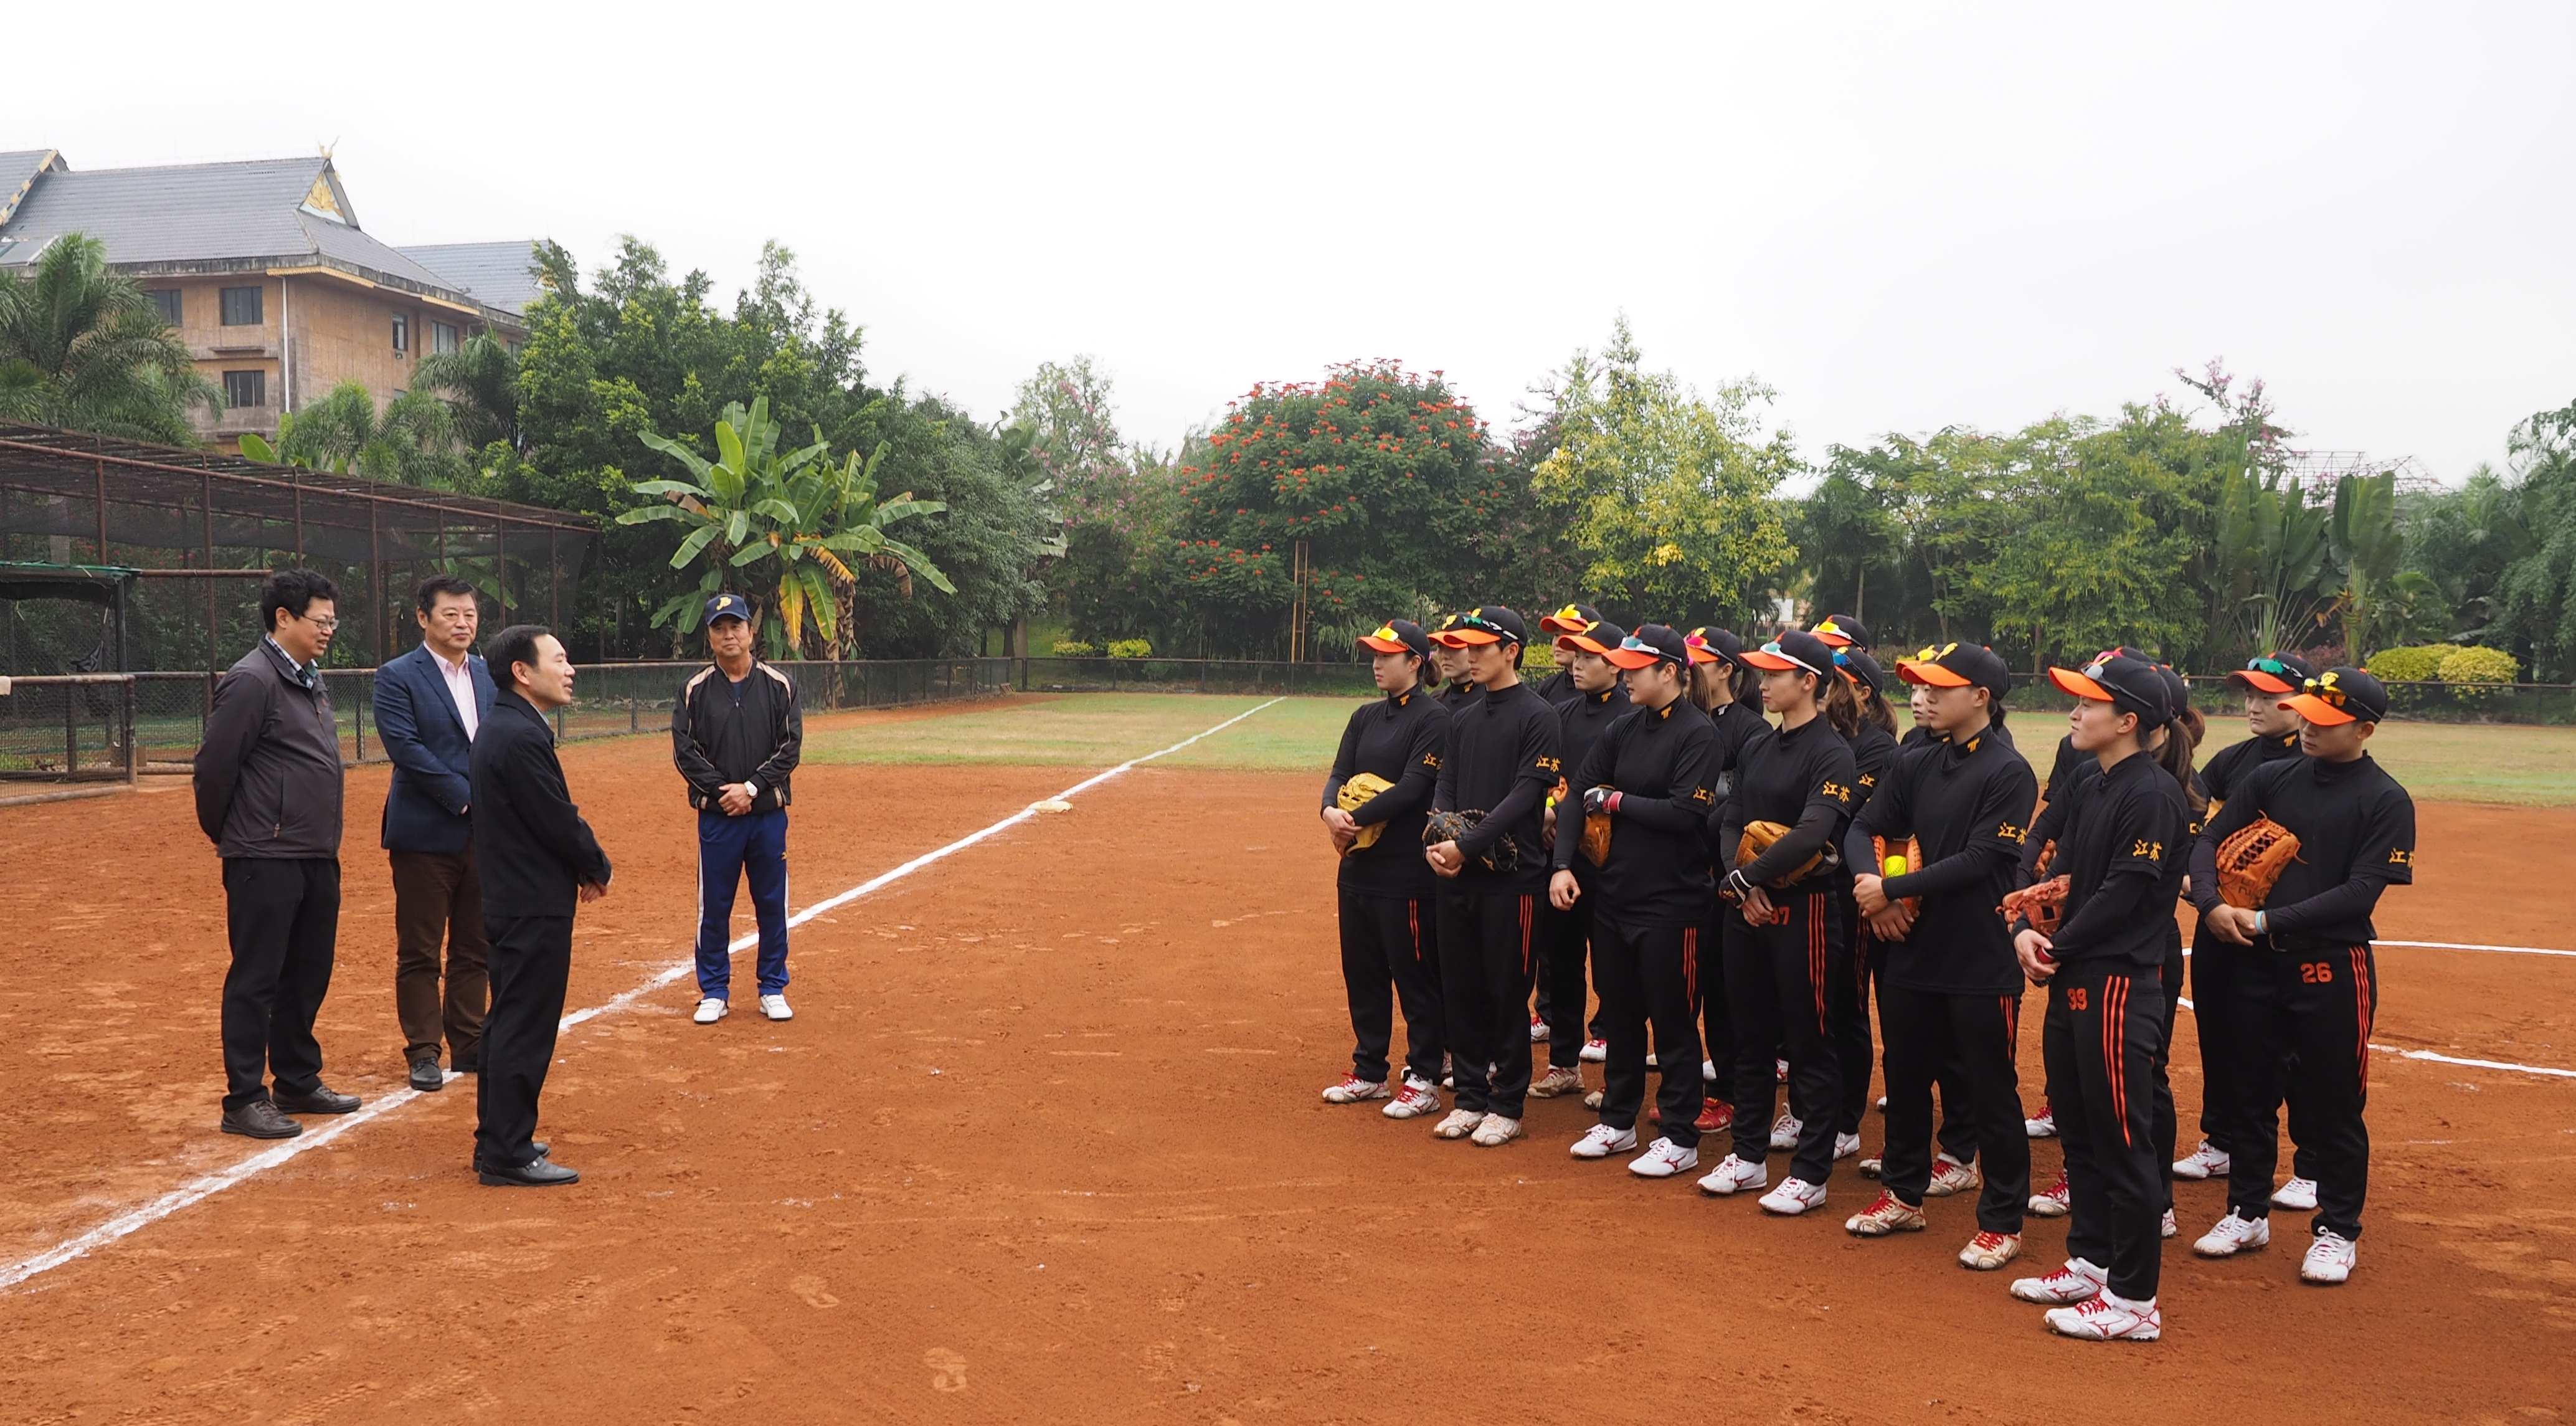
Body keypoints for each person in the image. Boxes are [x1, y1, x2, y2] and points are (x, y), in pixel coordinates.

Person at [2187, 668, 2413, 1288]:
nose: (2309, 727)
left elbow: (2360, 892)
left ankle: (2337, 1228)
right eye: (2307, 714)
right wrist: (2210, 903)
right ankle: (2246, 1212)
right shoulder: (2270, 778)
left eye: (2327, 721)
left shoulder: (2385, 799)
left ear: (2364, 730)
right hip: (2254, 964)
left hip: (2330, 965)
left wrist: (2265, 919)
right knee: (2248, 1093)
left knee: (2333, 1102)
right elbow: (2208, 839)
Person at [2005, 652, 2188, 1342]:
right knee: (2078, 1127)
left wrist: (2056, 946)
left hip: (2117, 981)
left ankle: (2135, 1300)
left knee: (2121, 1139)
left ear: (2128, 720)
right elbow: (2056, 862)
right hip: (2077, 975)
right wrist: (2026, 924)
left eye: (2088, 703)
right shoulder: (2092, 778)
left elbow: (2123, 894)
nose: (2075, 713)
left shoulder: (2152, 793)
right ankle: (2091, 1260)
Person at [1842, 642, 2039, 1270]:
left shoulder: (2008, 771)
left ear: (1980, 697)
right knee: (1903, 1077)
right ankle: (1903, 1194)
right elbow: (1861, 827)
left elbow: (1983, 858)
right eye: (1920, 686)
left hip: (1979, 957)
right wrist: (1875, 889)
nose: (1921, 696)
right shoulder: (1918, 759)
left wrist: (1891, 888)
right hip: (1912, 948)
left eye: (1937, 687)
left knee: (1990, 1089)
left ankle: (2002, 1220)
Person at [194, 568, 360, 1139]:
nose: (329, 630)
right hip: (265, 855)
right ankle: (244, 1097)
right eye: (321, 620)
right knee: (257, 977)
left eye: (333, 621)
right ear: (283, 618)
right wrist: (238, 835)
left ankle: (296, 1078)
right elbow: (214, 769)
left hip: (315, 851)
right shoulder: (252, 679)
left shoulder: (310, 678)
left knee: (307, 971)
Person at [1697, 629, 1859, 1214]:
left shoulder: (1833, 751)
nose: (1762, 682)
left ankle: (1811, 1171)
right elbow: (1731, 819)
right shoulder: (1761, 745)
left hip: (1805, 910)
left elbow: (1814, 832)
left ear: (1808, 682)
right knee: (1751, 1036)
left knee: (1809, 1040)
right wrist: (1740, 884)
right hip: (1748, 909)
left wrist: (1746, 880)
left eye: (1774, 673)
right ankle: (1748, 1155)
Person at [1553, 624, 1717, 1177]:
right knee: (1620, 1017)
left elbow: (1685, 812)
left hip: (1673, 904)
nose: (1624, 675)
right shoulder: (1624, 727)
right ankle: (1619, 1120)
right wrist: (1561, 863)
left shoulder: (1698, 733)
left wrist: (1618, 800)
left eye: (1634, 667)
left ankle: (1680, 1134)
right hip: (1615, 897)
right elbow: (1578, 793)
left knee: (1673, 1023)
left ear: (1669, 671)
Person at [2174, 652, 2324, 1209]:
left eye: (2269, 696)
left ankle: (2311, 1163)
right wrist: (2197, 880)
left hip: (2282, 931)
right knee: (2217, 1029)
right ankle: (2222, 1140)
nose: (2255, 705)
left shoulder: (2315, 766)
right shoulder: (2233, 759)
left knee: (2294, 1051)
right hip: (2220, 921)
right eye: (2250, 694)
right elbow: (2193, 820)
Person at [471, 625, 612, 1187]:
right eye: (559, 659)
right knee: (524, 1024)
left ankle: (497, 1137)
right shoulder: (519, 735)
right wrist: (595, 863)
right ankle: (508, 1150)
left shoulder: (505, 725)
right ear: (523, 672)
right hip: (532, 901)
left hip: (514, 896)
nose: (569, 669)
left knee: (508, 1018)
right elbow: (555, 816)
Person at [1423, 607, 1561, 1148]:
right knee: (1460, 988)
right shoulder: (1462, 718)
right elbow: (1446, 784)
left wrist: (1467, 844)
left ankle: (1507, 1103)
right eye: (1466, 647)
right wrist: (1440, 834)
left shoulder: (1539, 716)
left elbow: (1526, 796)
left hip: (1512, 877)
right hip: (1458, 876)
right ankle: (1471, 1096)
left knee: (1506, 992)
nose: (1469, 655)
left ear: (1511, 651)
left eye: (1480, 647)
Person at [1319, 619, 1449, 1119]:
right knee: (1363, 970)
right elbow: (1339, 772)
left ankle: (1425, 1076)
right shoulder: (1364, 716)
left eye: (1386, 656)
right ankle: (1370, 1069)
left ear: (1415, 662)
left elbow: (1413, 788)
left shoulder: (1433, 718)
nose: (1376, 663)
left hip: (1405, 871)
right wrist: (1329, 811)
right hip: (1357, 867)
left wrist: (1352, 820)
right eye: (1373, 654)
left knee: (1414, 976)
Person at [373, 574, 497, 1092]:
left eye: (469, 614)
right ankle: (424, 1050)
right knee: (420, 949)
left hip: (484, 836)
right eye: (451, 613)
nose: (462, 623)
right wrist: (467, 795)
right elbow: (406, 748)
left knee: (475, 946)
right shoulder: (397, 675)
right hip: (424, 834)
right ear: (424, 618)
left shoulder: (489, 674)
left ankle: (468, 1042)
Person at [674, 594, 805, 1025]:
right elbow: (685, 752)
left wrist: (751, 788)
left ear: (751, 632)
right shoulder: (694, 690)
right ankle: (714, 990)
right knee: (714, 906)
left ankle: (772, 987)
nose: (728, 635)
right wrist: (723, 792)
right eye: (719, 628)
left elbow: (790, 747)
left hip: (767, 815)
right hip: (718, 818)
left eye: (736, 627)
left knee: (771, 903)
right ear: (710, 636)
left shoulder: (780, 685)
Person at [1531, 616, 1631, 1097]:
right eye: (1578, 655)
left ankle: (1619, 1074)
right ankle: (1564, 1063)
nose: (1578, 663)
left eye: (1590, 656)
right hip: (1566, 855)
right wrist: (1552, 816)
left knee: (1615, 970)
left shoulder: (1631, 716)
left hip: (1615, 863)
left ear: (1616, 665)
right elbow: (1554, 778)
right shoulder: (1563, 714)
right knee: (1563, 961)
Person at [1683, 626, 1765, 1133]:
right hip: (1680, 872)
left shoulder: (1749, 728)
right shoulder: (1681, 720)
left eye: (1698, 659)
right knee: (1686, 982)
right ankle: (1697, 1081)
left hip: (1722, 874)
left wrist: (1687, 823)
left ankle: (1730, 1091)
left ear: (1726, 669)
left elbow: (1737, 805)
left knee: (1723, 985)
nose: (1688, 667)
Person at [1531, 603, 1608, 706]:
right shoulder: (1548, 688)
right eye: (1556, 635)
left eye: (1568, 635)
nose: (1558, 642)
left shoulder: (1613, 691)